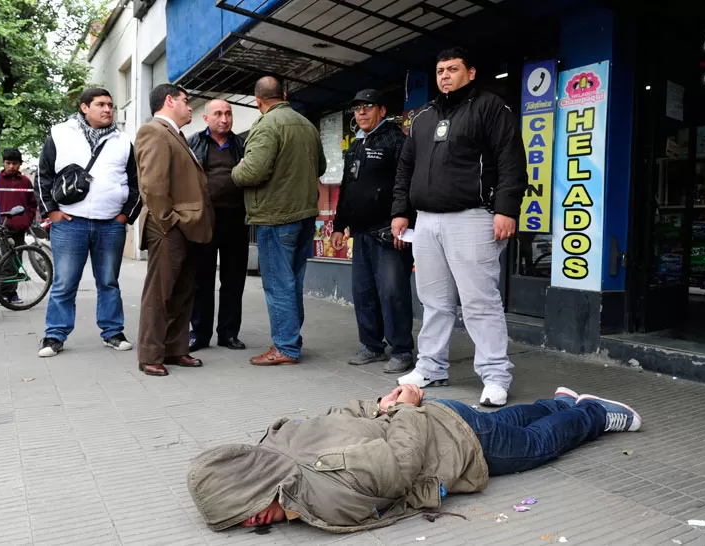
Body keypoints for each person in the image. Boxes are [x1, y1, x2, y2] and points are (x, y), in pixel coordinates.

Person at [187, 385, 641, 532]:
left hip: (454, 442)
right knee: (510, 421)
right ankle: (560, 402)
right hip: (439, 414)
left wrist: (401, 407)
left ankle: (595, 414)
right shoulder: (280, 439)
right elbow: (344, 413)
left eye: (243, 515)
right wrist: (387, 405)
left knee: (536, 446)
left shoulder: (326, 493)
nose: (249, 525)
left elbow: (404, 460)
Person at [391, 47, 528, 407]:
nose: (445, 76)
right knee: (434, 301)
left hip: (473, 217)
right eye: (440, 71)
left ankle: (496, 374)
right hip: (427, 222)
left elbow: (511, 159)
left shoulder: (490, 107)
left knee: (479, 301)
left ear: (471, 72)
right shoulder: (422, 117)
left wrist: (506, 209)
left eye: (453, 69)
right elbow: (406, 168)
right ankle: (431, 366)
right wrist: (400, 211)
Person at [35, 88, 142, 357]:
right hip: (70, 224)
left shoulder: (123, 141)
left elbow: (137, 182)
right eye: (101, 105)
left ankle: (112, 332)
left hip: (110, 225)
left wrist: (124, 216)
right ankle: (54, 335)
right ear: (85, 108)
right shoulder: (60, 134)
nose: (108, 110)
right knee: (64, 282)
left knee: (108, 281)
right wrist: (52, 212)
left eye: (111, 105)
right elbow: (43, 176)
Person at [232, 76, 326, 366]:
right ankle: (291, 341)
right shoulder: (306, 124)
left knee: (277, 284)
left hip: (275, 216)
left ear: (258, 101)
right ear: (283, 95)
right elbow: (321, 166)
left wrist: (237, 170)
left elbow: (252, 173)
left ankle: (285, 347)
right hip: (305, 214)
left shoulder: (265, 125)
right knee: (293, 281)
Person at [330, 89, 414, 373]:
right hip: (362, 233)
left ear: (381, 109)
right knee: (363, 292)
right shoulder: (356, 144)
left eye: (367, 107)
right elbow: (347, 186)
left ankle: (402, 350)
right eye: (357, 109)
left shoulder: (397, 141)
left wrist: (403, 218)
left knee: (393, 292)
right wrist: (339, 225)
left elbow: (407, 185)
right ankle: (372, 346)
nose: (361, 113)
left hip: (389, 232)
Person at [135, 84, 214, 377]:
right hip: (168, 227)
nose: (190, 106)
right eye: (185, 100)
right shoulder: (154, 131)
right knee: (159, 293)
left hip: (186, 227)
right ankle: (150, 354)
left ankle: (175, 348)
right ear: (169, 101)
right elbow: (153, 186)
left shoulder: (176, 135)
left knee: (183, 291)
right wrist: (170, 221)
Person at [187, 100, 249, 352]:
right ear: (206, 118)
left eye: (228, 113)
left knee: (234, 280)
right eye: (218, 114)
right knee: (201, 279)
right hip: (204, 220)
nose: (224, 119)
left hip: (236, 220)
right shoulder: (193, 143)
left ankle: (229, 333)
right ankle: (199, 334)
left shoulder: (241, 144)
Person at [0, 148, 37, 305]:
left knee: (15, 260)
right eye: (8, 163)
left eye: (15, 163)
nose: (12, 166)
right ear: (3, 163)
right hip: (3, 227)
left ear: (20, 164)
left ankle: (8, 293)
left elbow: (32, 204)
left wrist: (27, 220)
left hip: (20, 227)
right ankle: (6, 293)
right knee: (7, 261)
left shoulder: (25, 181)